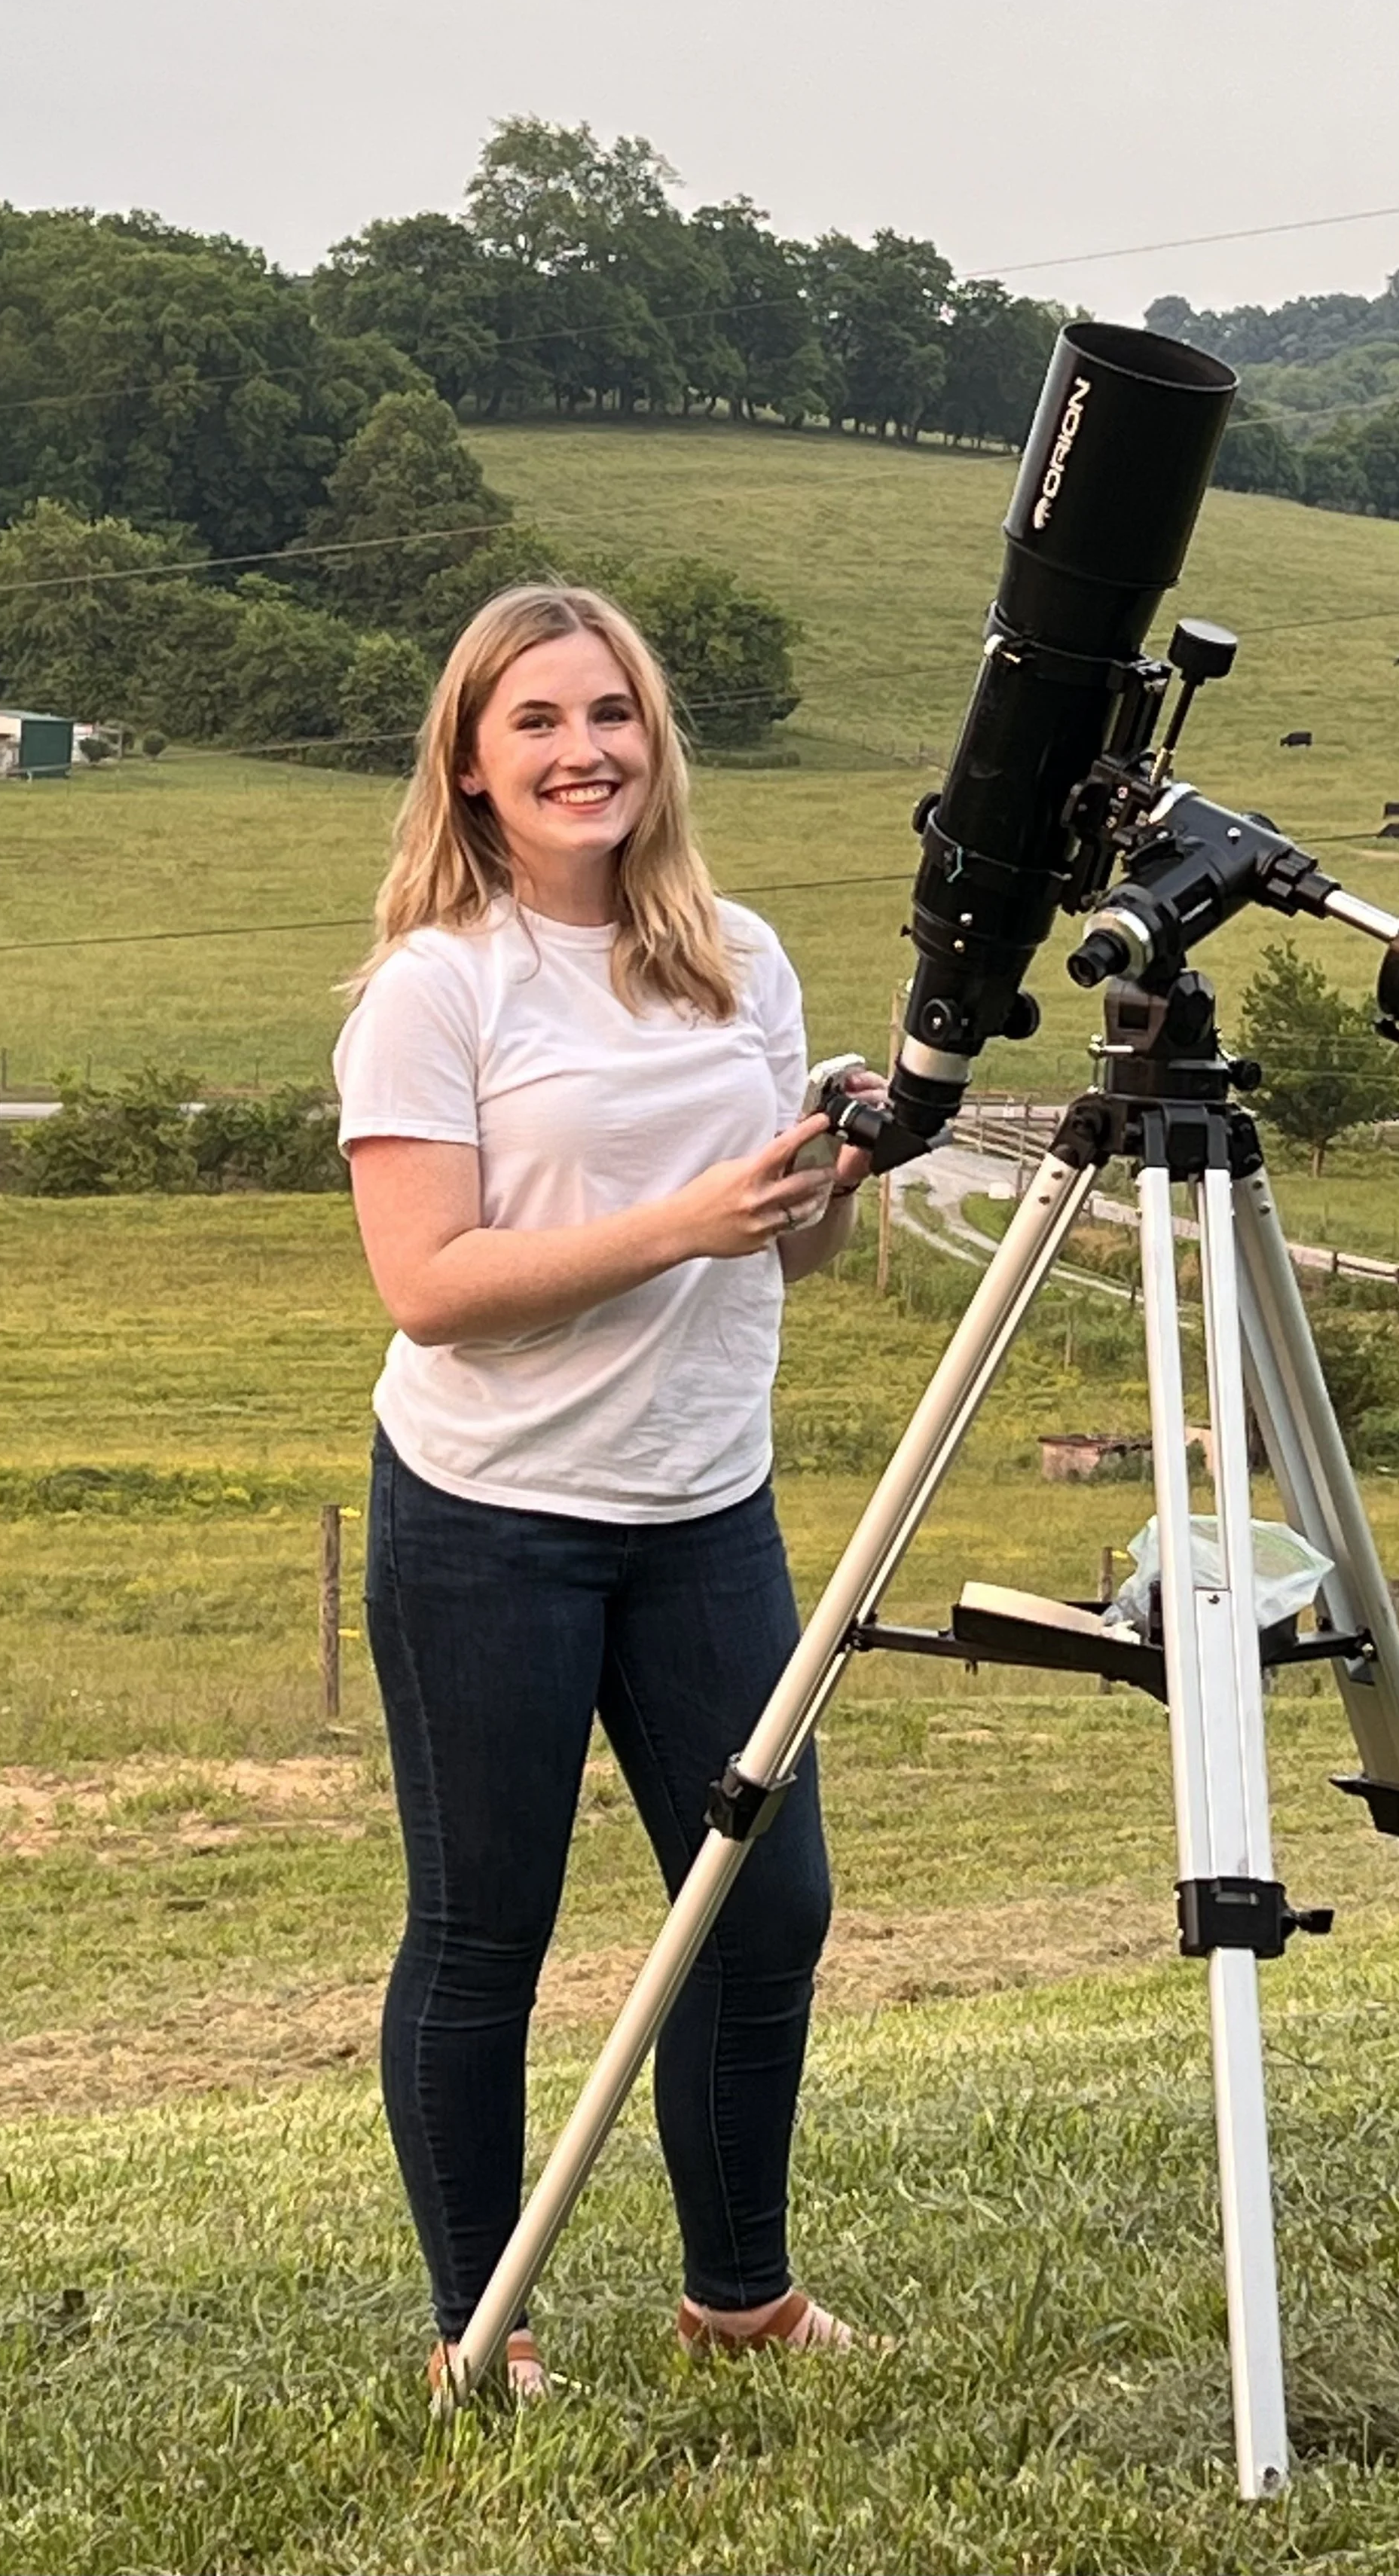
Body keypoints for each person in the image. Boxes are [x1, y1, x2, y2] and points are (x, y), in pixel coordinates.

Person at [333, 582, 881, 2400]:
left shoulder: (737, 955)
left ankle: (738, 2294)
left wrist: (824, 1184)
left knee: (762, 1902)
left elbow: (775, 1266)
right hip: (488, 1516)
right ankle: (475, 2340)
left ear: (656, 738)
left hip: (703, 1506)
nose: (584, 753)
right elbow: (428, 1283)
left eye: (612, 716)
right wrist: (678, 1224)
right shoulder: (438, 985)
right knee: (487, 1928)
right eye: (537, 726)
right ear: (474, 772)